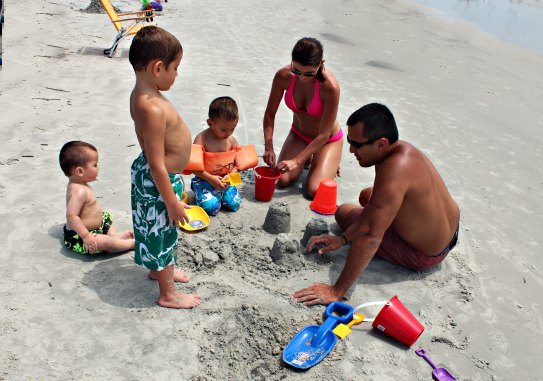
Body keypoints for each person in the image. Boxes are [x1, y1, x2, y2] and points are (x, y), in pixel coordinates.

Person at [293, 103, 460, 306]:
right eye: (349, 140)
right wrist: (344, 239)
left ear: (381, 143)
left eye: (356, 144)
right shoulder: (401, 151)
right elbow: (372, 206)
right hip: (448, 233)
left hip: (425, 254)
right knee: (367, 196)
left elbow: (371, 236)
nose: (351, 149)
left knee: (344, 212)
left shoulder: (394, 170)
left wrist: (336, 291)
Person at [128, 26, 201, 309]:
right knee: (162, 232)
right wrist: (171, 200)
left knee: (152, 229)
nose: (177, 74)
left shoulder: (142, 95)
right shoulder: (152, 106)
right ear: (158, 68)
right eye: (175, 68)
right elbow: (156, 162)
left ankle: (159, 271)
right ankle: (167, 294)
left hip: (154, 175)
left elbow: (143, 140)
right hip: (159, 179)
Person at [262, 37, 343, 198]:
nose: (302, 77)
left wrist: (297, 161)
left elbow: (324, 134)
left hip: (326, 140)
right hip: (299, 134)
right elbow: (270, 114)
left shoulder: (330, 87)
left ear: (321, 63)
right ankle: (311, 158)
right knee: (283, 179)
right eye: (297, 71)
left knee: (314, 190)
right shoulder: (283, 76)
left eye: (309, 73)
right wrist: (269, 147)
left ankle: (327, 158)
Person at [59, 141, 135, 255]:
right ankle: (131, 244)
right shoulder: (79, 191)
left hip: (96, 227)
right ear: (80, 171)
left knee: (106, 217)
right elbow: (71, 215)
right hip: (80, 236)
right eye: (94, 165)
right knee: (102, 242)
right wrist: (86, 236)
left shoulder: (80, 184)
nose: (98, 167)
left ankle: (115, 237)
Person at [190, 96, 242, 216]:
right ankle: (199, 189)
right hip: (205, 180)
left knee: (234, 204)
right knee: (211, 208)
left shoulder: (232, 141)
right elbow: (194, 167)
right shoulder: (201, 139)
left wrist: (231, 176)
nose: (228, 133)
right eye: (224, 130)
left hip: (226, 181)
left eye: (232, 129)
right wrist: (211, 179)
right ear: (210, 123)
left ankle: (221, 195)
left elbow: (238, 166)